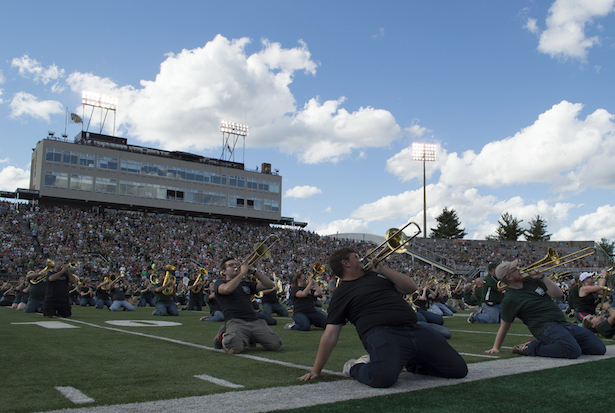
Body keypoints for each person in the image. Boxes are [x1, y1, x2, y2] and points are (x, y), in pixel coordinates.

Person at [299, 247, 467, 388]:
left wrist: (384, 270)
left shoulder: (377, 275)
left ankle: (409, 362)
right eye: (356, 257)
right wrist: (316, 370)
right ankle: (354, 367)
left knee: (458, 370)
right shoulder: (341, 293)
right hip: (382, 334)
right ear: (346, 263)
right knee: (382, 378)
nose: (362, 258)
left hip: (413, 328)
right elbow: (330, 334)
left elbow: (411, 288)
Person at [485, 260, 606, 358]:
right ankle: (531, 347)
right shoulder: (509, 299)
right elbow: (504, 326)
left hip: (562, 324)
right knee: (572, 351)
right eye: (515, 270)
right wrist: (496, 347)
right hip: (545, 328)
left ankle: (564, 343)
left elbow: (558, 294)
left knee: (599, 348)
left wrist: (543, 277)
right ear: (509, 277)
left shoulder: (531, 281)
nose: (519, 270)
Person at [213, 257, 282, 354]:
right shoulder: (220, 283)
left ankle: (248, 337)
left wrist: (254, 272)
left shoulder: (245, 284)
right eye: (230, 265)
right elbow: (227, 289)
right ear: (224, 272)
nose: (235, 266)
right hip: (236, 321)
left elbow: (269, 284)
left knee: (276, 345)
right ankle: (222, 336)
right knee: (234, 349)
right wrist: (242, 273)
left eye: (235, 264)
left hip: (254, 321)